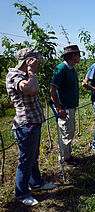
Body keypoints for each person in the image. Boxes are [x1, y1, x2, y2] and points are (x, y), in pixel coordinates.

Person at [6, 48, 56, 206]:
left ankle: (37, 182)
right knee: (26, 160)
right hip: (26, 124)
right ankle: (21, 193)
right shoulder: (14, 75)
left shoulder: (27, 75)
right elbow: (32, 90)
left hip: (34, 121)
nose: (39, 64)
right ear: (29, 61)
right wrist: (31, 71)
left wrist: (30, 71)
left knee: (33, 157)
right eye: (37, 61)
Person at [50, 45, 82, 166]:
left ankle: (68, 156)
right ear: (72, 56)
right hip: (65, 108)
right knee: (66, 133)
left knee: (70, 132)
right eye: (78, 54)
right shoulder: (61, 68)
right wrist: (59, 108)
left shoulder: (72, 69)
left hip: (71, 107)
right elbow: (53, 88)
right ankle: (64, 159)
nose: (80, 57)